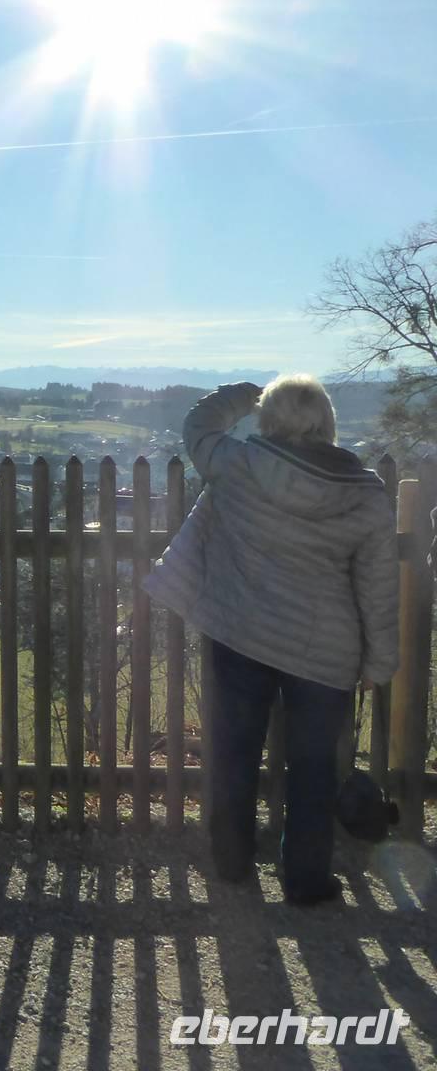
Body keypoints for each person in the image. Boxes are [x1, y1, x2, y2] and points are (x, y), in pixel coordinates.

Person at [145, 375, 397, 905]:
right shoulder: (365, 493)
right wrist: (379, 660)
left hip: (241, 634)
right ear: (327, 423)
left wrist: (242, 391)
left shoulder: (237, 466)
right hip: (324, 650)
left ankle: (232, 863)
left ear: (267, 420)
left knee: (233, 752)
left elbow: (197, 425)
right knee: (313, 768)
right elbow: (376, 587)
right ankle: (306, 880)